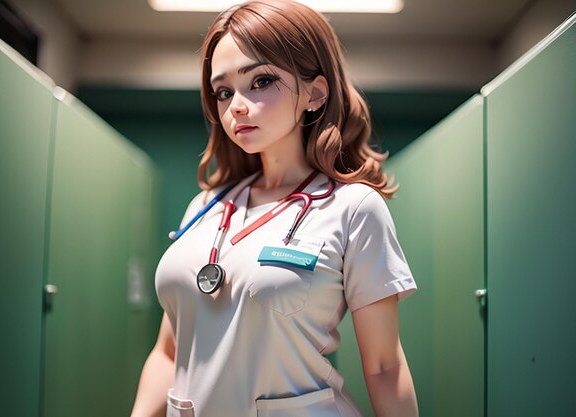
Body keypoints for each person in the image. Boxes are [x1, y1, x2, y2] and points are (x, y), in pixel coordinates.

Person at [130, 1, 418, 416]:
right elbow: (169, 352)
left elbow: (384, 367)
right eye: (224, 91)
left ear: (315, 94)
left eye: (261, 81)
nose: (237, 107)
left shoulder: (354, 208)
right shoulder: (205, 207)